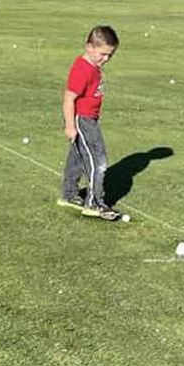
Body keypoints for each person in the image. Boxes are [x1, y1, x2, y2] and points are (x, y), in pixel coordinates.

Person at [58, 25, 122, 220]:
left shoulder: (93, 67)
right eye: (103, 54)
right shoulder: (82, 69)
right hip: (83, 119)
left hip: (90, 118)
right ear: (89, 47)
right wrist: (70, 126)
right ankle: (94, 203)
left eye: (110, 55)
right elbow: (69, 98)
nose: (106, 59)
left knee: (77, 157)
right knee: (97, 160)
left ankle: (69, 194)